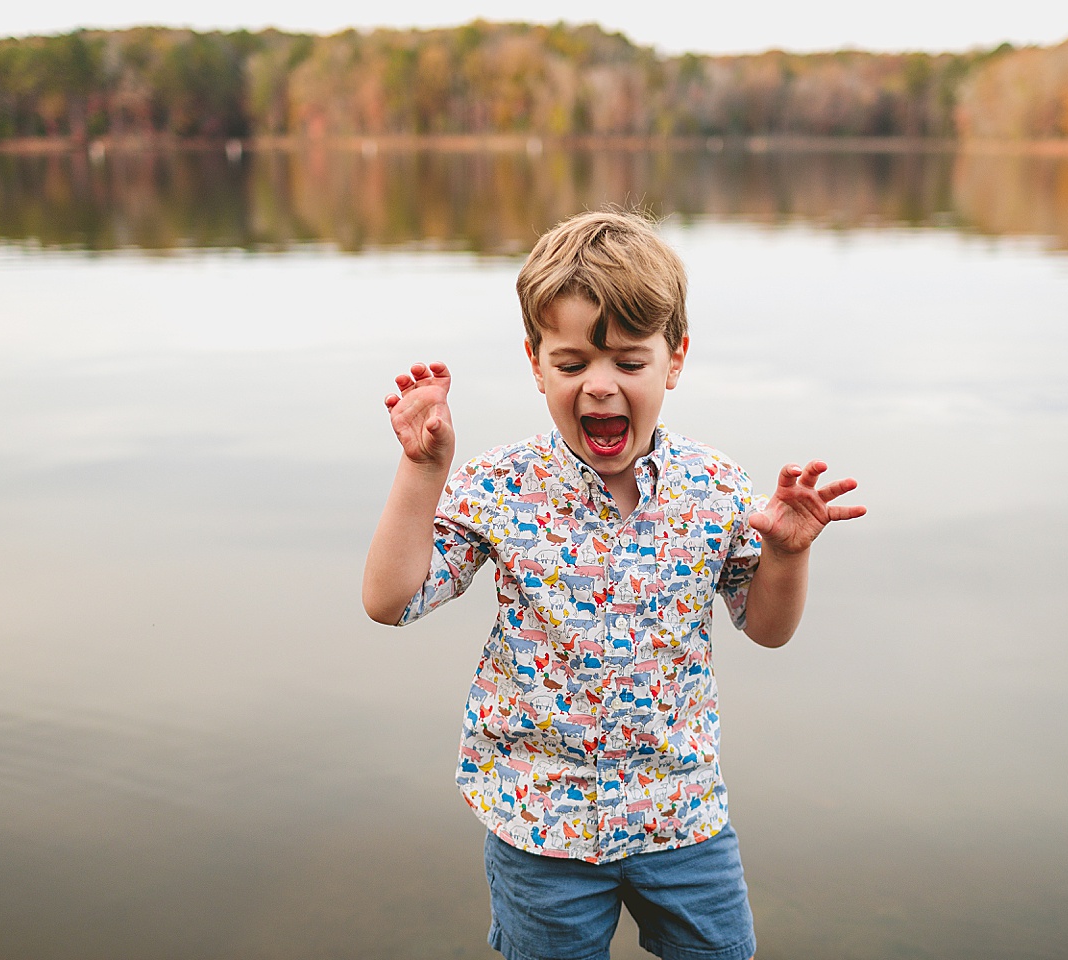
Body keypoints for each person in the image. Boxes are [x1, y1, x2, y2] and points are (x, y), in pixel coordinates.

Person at [362, 209, 865, 960]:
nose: (600, 387)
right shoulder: (501, 487)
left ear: (675, 360)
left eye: (628, 362)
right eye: (572, 365)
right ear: (535, 364)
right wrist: (423, 471)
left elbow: (766, 627)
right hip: (543, 824)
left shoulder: (714, 487)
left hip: (682, 814)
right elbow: (390, 601)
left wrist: (788, 556)